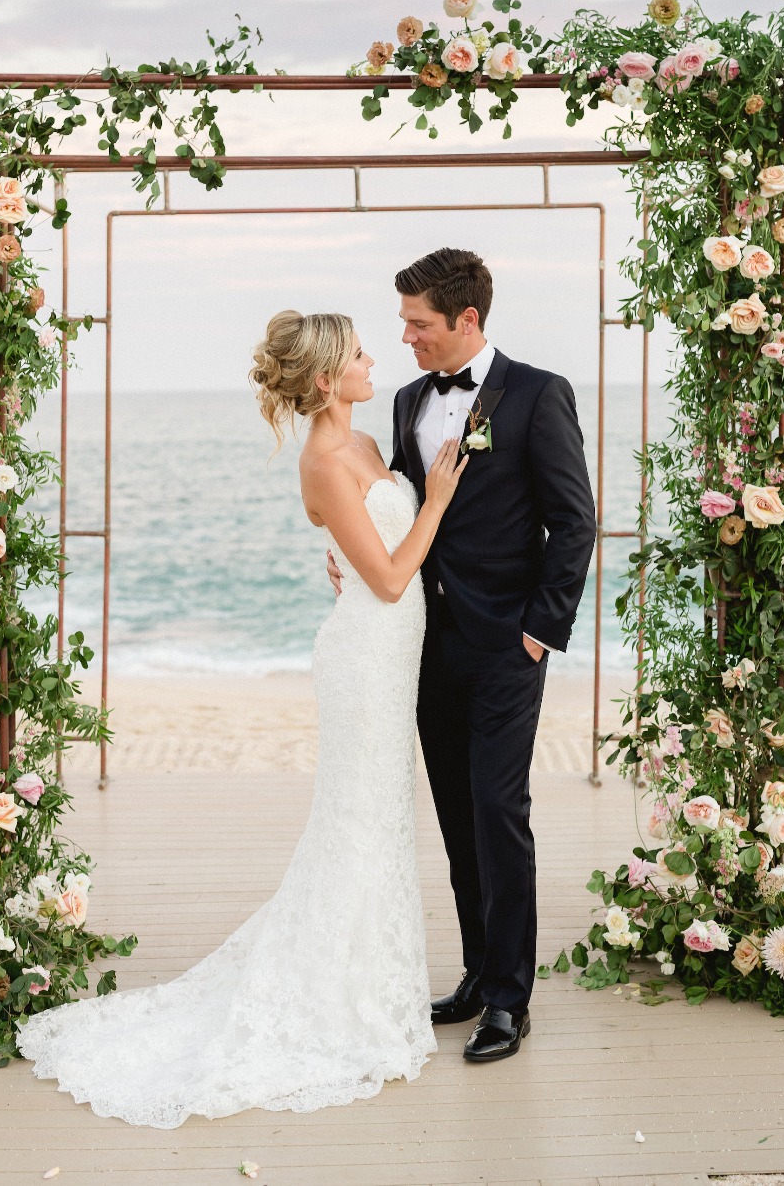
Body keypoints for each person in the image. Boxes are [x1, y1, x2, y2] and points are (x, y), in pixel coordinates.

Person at [14, 309, 466, 1127]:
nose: (373, 361)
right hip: (367, 658)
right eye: (360, 353)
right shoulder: (326, 459)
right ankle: (337, 998)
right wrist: (433, 500)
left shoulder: (364, 444)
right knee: (358, 820)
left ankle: (369, 980)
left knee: (381, 819)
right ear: (327, 379)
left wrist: (365, 552)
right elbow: (394, 579)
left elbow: (361, 555)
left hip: (391, 652)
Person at [328, 247, 596, 1062]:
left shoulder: (539, 395)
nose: (405, 337)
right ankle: (479, 972)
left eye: (418, 324)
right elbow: (408, 512)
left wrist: (539, 631)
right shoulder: (410, 398)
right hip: (422, 645)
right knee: (454, 815)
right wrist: (351, 552)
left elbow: (575, 522)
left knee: (497, 812)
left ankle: (511, 1001)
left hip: (508, 648)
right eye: (403, 323)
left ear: (467, 319)